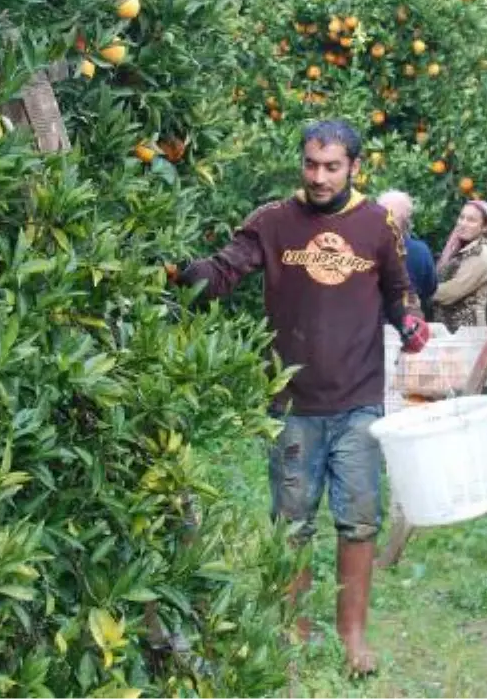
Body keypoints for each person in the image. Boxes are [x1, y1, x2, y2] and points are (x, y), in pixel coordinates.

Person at [176, 119, 429, 676]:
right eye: (311, 165)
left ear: (354, 168)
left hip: (359, 398)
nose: (319, 177)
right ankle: (295, 633)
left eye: (331, 166)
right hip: (290, 403)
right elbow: (223, 271)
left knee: (359, 519)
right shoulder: (272, 221)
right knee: (293, 522)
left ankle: (353, 638)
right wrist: (180, 272)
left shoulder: (377, 224)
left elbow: (398, 290)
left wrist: (409, 319)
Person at [431, 200, 487, 332]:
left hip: (468, 332)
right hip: (449, 330)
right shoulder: (457, 249)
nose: (463, 224)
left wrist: (419, 290)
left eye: (471, 220)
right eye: (462, 217)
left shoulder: (481, 255)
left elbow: (451, 293)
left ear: (484, 227)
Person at [377, 190, 437, 319]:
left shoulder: (362, 249)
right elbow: (429, 289)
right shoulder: (420, 251)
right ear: (407, 220)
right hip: (407, 325)